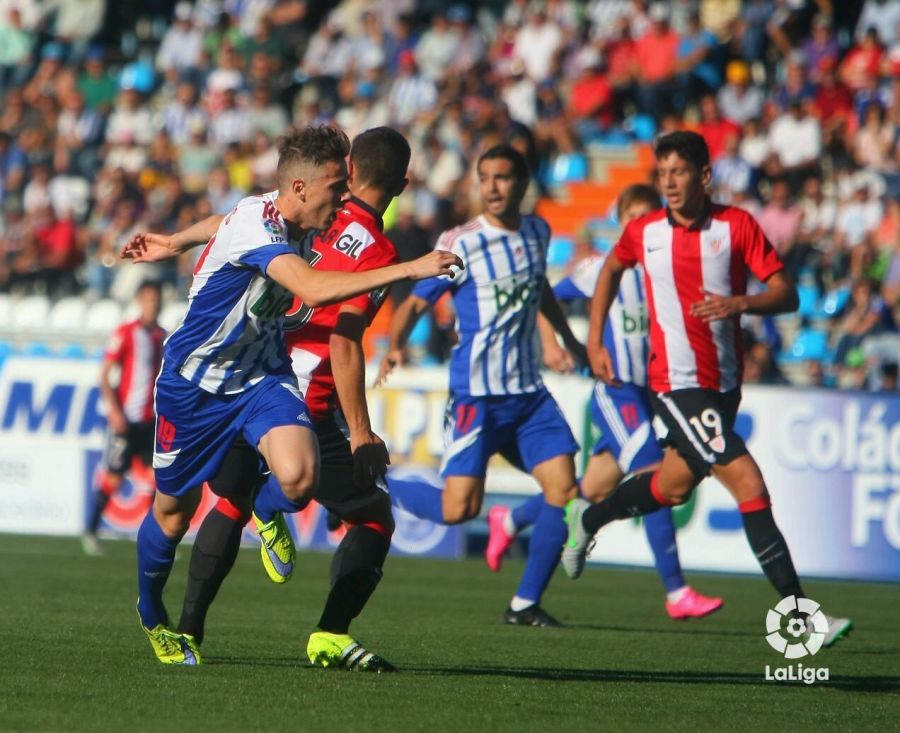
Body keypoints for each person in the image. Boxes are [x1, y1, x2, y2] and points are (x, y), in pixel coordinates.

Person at [123, 125, 461, 665]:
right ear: (302, 189)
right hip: (197, 384)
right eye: (335, 186)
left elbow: (222, 222)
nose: (344, 196)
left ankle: (265, 506)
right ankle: (151, 612)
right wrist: (412, 268)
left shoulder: (293, 214)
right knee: (172, 512)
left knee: (299, 477)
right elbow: (310, 288)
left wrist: (176, 239)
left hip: (264, 376)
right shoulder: (263, 228)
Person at [563, 131, 851, 646]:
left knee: (671, 486)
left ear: (703, 177)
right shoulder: (646, 232)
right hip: (674, 383)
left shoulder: (736, 226)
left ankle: (592, 515)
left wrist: (740, 304)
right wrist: (593, 338)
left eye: (678, 172)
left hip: (724, 385)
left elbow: (786, 294)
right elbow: (609, 269)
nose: (669, 183)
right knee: (749, 484)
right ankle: (802, 618)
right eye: (662, 173)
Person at [486, 184, 723, 620]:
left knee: (587, 491)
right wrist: (552, 342)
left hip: (656, 392)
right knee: (654, 474)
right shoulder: (599, 269)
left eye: (647, 216)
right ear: (620, 222)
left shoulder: (669, 268)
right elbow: (542, 295)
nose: (640, 224)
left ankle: (511, 520)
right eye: (632, 216)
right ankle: (676, 591)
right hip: (618, 391)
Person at [377, 145, 585, 627]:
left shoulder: (538, 231)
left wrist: (569, 338)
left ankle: (525, 603)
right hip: (476, 395)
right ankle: (377, 488)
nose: (493, 187)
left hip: (528, 396)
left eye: (504, 177)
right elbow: (416, 300)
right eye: (485, 177)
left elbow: (540, 290)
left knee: (564, 489)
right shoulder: (462, 241)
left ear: (522, 183)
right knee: (458, 508)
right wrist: (395, 345)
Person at [82, 280, 165, 557]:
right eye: (149, 299)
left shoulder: (162, 336)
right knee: (114, 478)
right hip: (126, 420)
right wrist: (115, 410)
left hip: (150, 420)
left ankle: (152, 538)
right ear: (140, 301)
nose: (153, 304)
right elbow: (105, 375)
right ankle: (91, 531)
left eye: (157, 299)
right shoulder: (126, 333)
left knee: (158, 480)